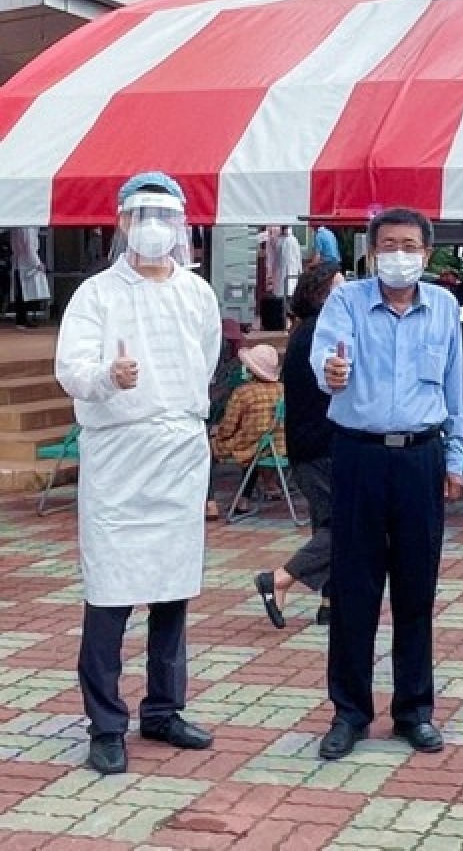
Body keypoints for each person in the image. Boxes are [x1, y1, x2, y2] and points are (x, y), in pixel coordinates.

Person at [54, 171, 221, 776]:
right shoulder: (96, 294)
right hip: (118, 454)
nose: (152, 226)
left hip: (177, 450)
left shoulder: (197, 294)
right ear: (122, 221)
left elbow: (202, 362)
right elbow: (71, 366)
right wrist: (108, 379)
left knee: (173, 589)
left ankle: (164, 708)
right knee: (110, 593)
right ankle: (105, 723)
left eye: (164, 215)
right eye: (141, 214)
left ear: (181, 224)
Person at [311, 207, 463, 761]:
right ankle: (349, 713)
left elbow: (456, 390)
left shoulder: (445, 307)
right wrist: (331, 372)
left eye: (409, 245)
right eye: (388, 245)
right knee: (353, 589)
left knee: (415, 590)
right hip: (359, 456)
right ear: (372, 252)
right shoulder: (346, 301)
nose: (398, 254)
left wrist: (455, 461)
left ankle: (414, 711)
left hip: (421, 460)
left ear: (426, 254)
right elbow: (324, 357)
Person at [254, 264, 344, 629]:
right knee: (346, 525)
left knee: (327, 522)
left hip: (312, 443)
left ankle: (330, 600)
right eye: (337, 288)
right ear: (319, 294)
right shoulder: (316, 334)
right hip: (321, 444)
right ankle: (279, 578)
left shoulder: (307, 332)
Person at [210, 343, 285, 515]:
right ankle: (259, 491)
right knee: (255, 447)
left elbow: (228, 427)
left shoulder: (243, 392)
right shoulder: (282, 389)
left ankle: (209, 501)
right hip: (278, 446)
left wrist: (218, 437)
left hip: (252, 446)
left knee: (210, 448)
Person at [12, 226, 49, 329]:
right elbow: (29, 247)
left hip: (22, 261)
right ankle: (22, 320)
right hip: (27, 263)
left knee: (23, 293)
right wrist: (37, 263)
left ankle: (23, 319)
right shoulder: (28, 227)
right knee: (24, 293)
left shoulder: (21, 226)